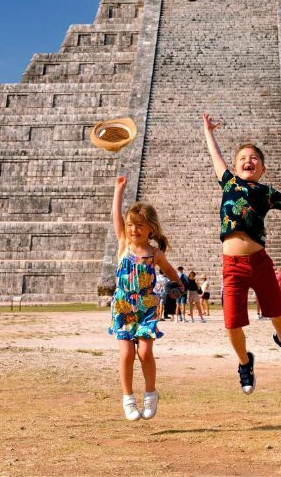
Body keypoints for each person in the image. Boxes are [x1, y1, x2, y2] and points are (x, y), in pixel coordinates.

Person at [202, 112, 281, 394]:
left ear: (261, 168)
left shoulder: (266, 192)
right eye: (243, 159)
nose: (248, 161)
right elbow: (216, 156)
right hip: (232, 265)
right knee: (232, 324)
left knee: (277, 311)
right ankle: (244, 362)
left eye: (254, 158)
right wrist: (208, 131)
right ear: (235, 167)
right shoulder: (228, 182)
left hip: (260, 262)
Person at [108, 176, 183, 421]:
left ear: (151, 228)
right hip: (122, 305)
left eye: (140, 225)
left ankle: (151, 394)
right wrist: (119, 190)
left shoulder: (154, 254)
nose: (134, 229)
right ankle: (128, 398)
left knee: (145, 353)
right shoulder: (123, 244)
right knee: (127, 354)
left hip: (147, 305)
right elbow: (115, 219)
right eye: (131, 225)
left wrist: (177, 284)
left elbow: (171, 272)